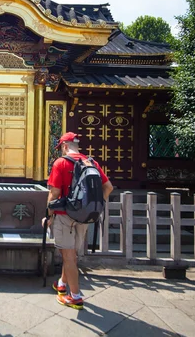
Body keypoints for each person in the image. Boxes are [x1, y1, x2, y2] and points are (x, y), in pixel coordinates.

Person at [47, 131, 113, 309]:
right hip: (84, 217)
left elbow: (54, 193)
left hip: (64, 216)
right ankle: (61, 283)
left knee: (68, 256)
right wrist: (97, 206)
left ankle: (75, 296)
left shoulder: (60, 163)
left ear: (65, 146)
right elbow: (108, 187)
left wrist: (49, 215)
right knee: (71, 255)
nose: (61, 150)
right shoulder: (91, 162)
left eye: (61, 147)